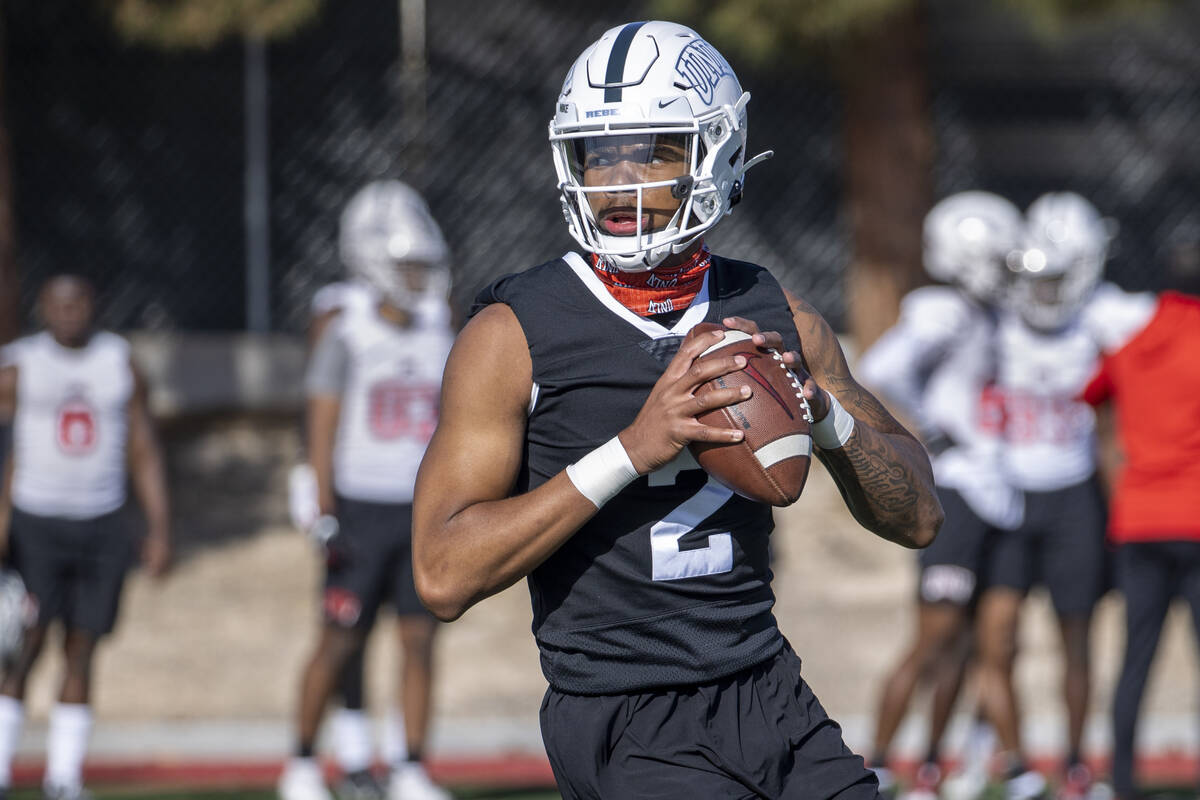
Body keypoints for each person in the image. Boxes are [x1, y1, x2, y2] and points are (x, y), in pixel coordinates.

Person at [412, 21, 943, 799]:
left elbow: (920, 517)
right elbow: (441, 575)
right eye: (601, 153)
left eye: (652, 149)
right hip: (623, 715)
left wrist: (825, 414)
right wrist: (633, 449)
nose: (618, 180)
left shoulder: (777, 315)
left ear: (716, 152)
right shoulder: (513, 335)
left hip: (768, 688)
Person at [973, 193, 1156, 800]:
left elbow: (1157, 328)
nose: (1043, 292)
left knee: (1075, 639)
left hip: (1075, 495)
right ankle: (1014, 761)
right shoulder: (991, 315)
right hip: (1008, 495)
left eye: (1056, 278)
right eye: (1036, 277)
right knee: (996, 637)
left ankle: (1077, 764)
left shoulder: (1105, 314)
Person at [277, 180, 453, 800]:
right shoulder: (344, 325)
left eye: (423, 263)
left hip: (420, 511)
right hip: (358, 506)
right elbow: (320, 421)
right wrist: (318, 497)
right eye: (407, 263)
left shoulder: (441, 324)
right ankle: (302, 762)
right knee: (338, 640)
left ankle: (408, 765)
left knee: (418, 640)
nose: (418, 275)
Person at [858, 191, 1025, 799]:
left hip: (994, 489)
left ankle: (930, 764)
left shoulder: (985, 313)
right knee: (932, 642)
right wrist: (929, 429)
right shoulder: (942, 310)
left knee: (977, 645)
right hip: (957, 492)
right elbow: (880, 367)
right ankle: (875, 762)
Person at [0, 275, 171, 800]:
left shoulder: (118, 362)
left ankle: (64, 778)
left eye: (79, 302)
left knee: (83, 646)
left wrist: (159, 526)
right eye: (59, 303)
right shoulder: (19, 365)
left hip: (101, 522)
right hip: (37, 522)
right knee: (21, 647)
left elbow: (142, 446)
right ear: (43, 308)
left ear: (93, 305)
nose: (70, 312)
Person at [1080, 291, 1200, 800]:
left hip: (1141, 519)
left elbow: (1089, 395)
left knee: (1136, 659)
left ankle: (1124, 782)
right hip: (1195, 517)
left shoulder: (1130, 344)